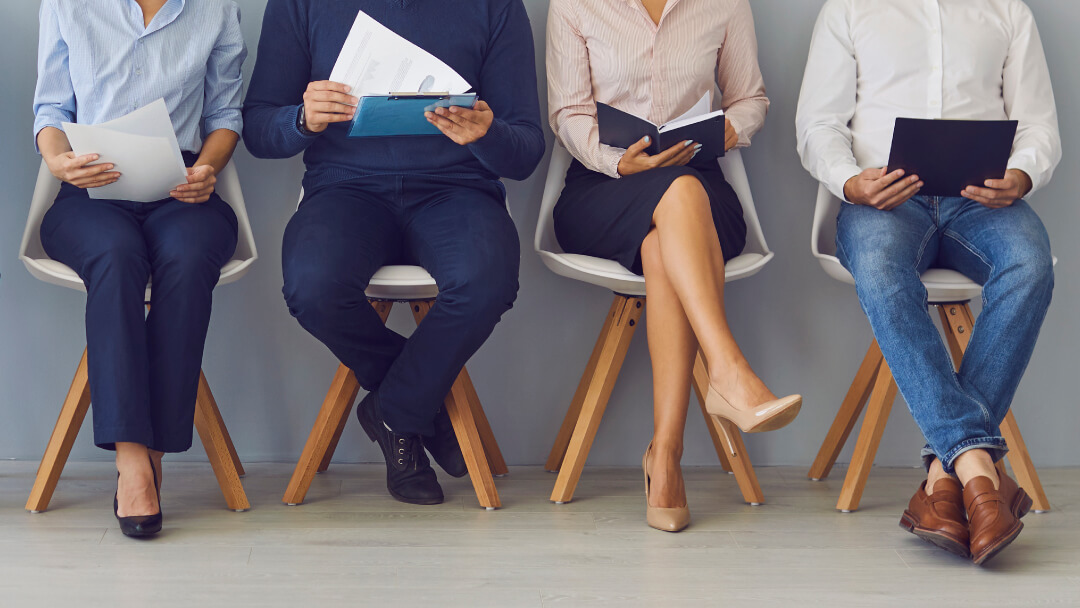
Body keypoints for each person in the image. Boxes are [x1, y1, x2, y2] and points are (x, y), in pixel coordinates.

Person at [243, 0, 544, 505]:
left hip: (457, 188)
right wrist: (302, 119)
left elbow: (527, 149)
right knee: (312, 284)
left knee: (487, 280)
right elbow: (258, 129)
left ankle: (394, 412)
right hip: (345, 187)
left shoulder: (496, 6)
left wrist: (488, 134)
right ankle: (421, 409)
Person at [796, 0, 1059, 564]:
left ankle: (947, 473)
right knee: (882, 274)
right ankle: (978, 470)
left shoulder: (1007, 11)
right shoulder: (849, 10)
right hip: (884, 202)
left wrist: (1022, 174)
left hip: (979, 202)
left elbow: (1039, 124)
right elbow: (818, 124)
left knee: (1030, 265)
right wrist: (851, 182)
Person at [547, 0, 801, 533]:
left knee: (666, 237)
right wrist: (617, 161)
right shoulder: (574, 5)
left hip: (700, 188)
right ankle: (727, 371)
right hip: (604, 185)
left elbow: (750, 99)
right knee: (673, 206)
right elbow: (568, 112)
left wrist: (727, 131)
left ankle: (665, 454)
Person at [33, 0, 246, 537]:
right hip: (90, 191)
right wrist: (58, 161)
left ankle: (155, 452)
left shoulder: (217, 7)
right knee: (116, 254)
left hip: (180, 187)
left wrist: (207, 168)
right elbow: (51, 110)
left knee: (189, 255)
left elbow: (224, 115)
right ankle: (132, 460)